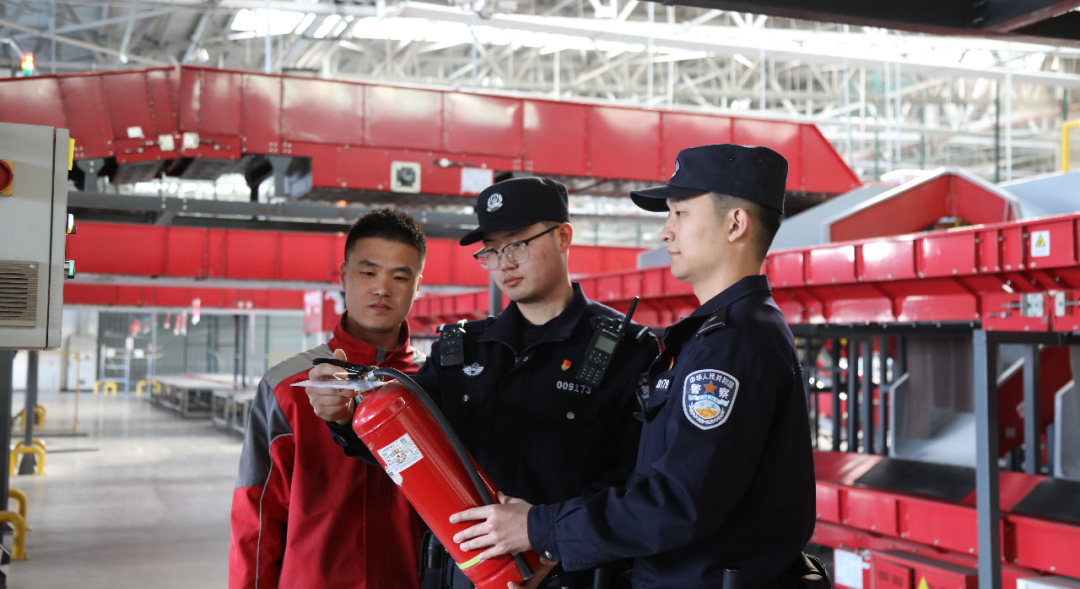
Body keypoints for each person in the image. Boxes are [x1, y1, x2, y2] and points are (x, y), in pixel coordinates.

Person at [449, 145, 818, 589]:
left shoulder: (730, 345)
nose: (666, 231)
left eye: (679, 213)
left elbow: (677, 502)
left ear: (735, 223)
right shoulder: (726, 334)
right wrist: (551, 540)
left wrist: (539, 529)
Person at [307, 177, 660, 589]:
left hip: (571, 575)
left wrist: (549, 541)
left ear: (563, 237)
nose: (504, 263)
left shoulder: (627, 352)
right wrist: (347, 416)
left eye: (517, 244)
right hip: (466, 573)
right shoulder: (461, 350)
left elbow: (635, 480)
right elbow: (409, 441)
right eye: (491, 251)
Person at [229, 208, 429, 589]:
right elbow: (256, 513)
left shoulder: (434, 386)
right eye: (368, 273)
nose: (382, 288)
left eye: (400, 276)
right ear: (343, 276)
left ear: (418, 284)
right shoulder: (286, 388)